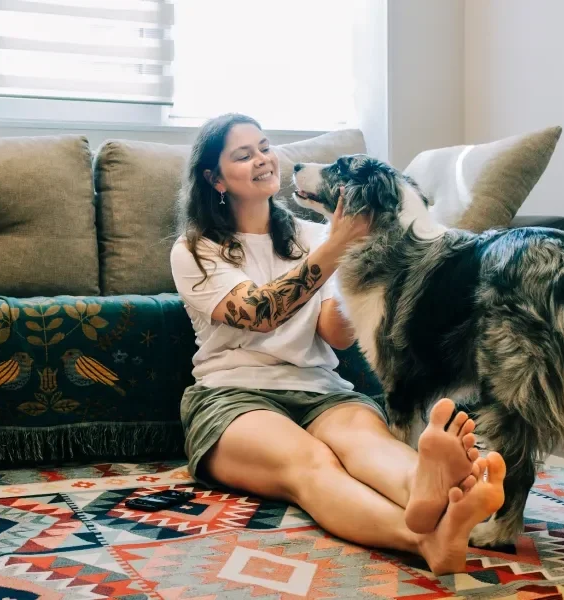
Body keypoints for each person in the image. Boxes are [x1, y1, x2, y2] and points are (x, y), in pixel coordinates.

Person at [169, 113, 506, 575]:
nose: (263, 160)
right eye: (243, 155)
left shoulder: (313, 234)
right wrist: (336, 244)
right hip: (232, 395)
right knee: (313, 464)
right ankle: (424, 537)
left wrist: (360, 272)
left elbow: (336, 333)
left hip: (319, 388)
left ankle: (434, 491)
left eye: (265, 147)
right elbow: (259, 313)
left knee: (373, 450)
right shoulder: (196, 249)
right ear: (215, 178)